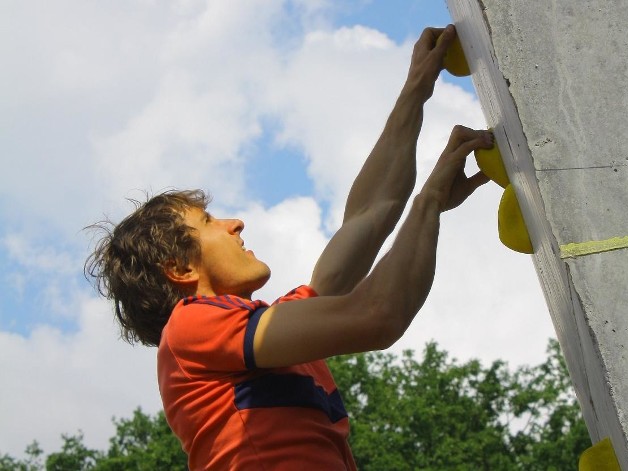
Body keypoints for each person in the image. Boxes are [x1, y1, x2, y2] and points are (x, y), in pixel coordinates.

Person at [86, 25, 493, 471]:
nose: (236, 223)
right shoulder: (191, 327)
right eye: (208, 222)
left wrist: (417, 88)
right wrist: (430, 202)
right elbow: (378, 314)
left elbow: (371, 213)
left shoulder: (258, 335)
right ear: (179, 268)